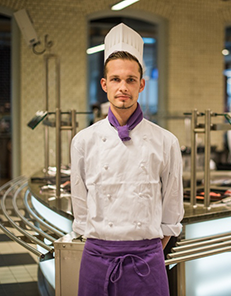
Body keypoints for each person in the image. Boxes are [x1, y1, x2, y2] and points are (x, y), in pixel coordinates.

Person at [70, 23, 184, 296]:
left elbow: (171, 211)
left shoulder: (166, 141)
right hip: (97, 260)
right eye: (116, 79)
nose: (123, 87)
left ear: (142, 84)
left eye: (131, 80)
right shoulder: (83, 141)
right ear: (104, 84)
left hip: (147, 261)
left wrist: (145, 246)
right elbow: (80, 207)